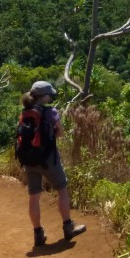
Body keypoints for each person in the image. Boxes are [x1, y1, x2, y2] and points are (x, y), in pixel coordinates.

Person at [21, 80, 86, 247]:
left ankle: (38, 234)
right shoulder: (51, 112)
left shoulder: (25, 112)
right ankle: (68, 226)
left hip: (29, 159)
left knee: (34, 197)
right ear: (44, 96)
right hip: (49, 158)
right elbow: (60, 133)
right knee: (62, 190)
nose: (50, 96)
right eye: (49, 94)